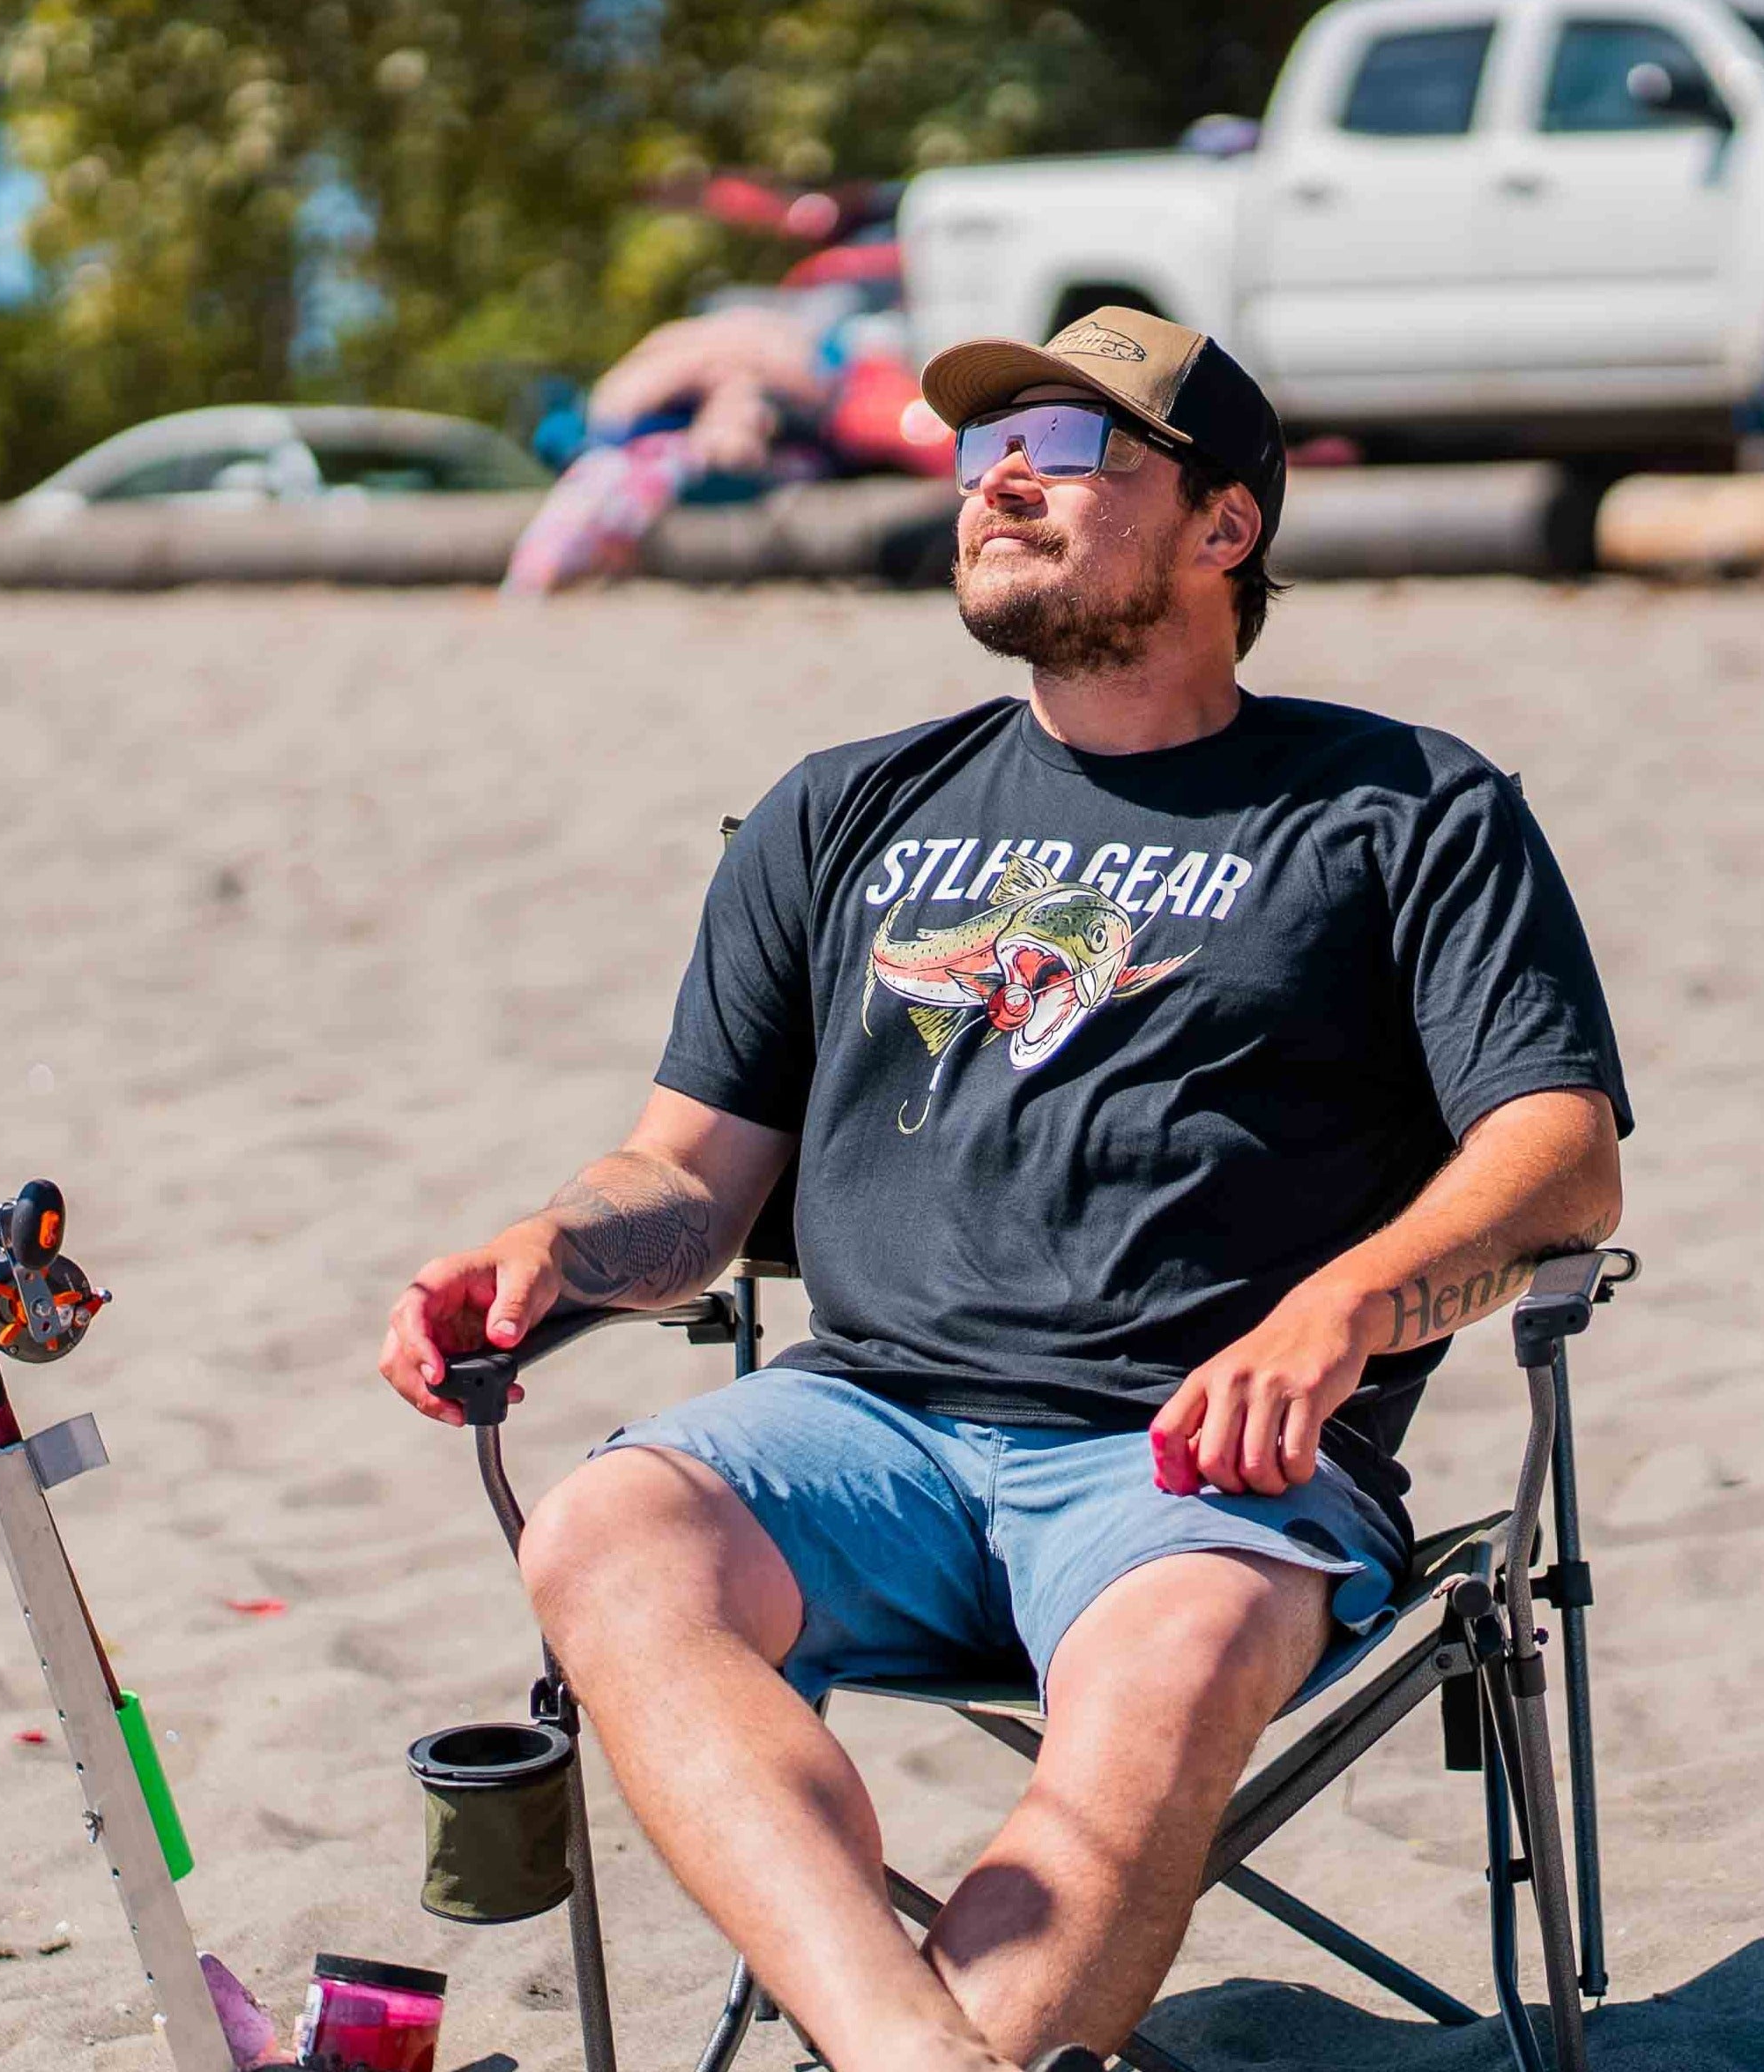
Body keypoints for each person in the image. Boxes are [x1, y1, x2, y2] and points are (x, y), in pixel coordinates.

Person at [379, 307, 1630, 2072]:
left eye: (1068, 451)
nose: (1000, 485)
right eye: (982, 451)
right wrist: (553, 1245)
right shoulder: (842, 809)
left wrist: (1340, 1308)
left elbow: (1558, 1148)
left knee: (1181, 1655)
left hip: (1194, 1461)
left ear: (1223, 523)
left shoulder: (1402, 807)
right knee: (603, 1530)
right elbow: (685, 1176)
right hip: (862, 1426)